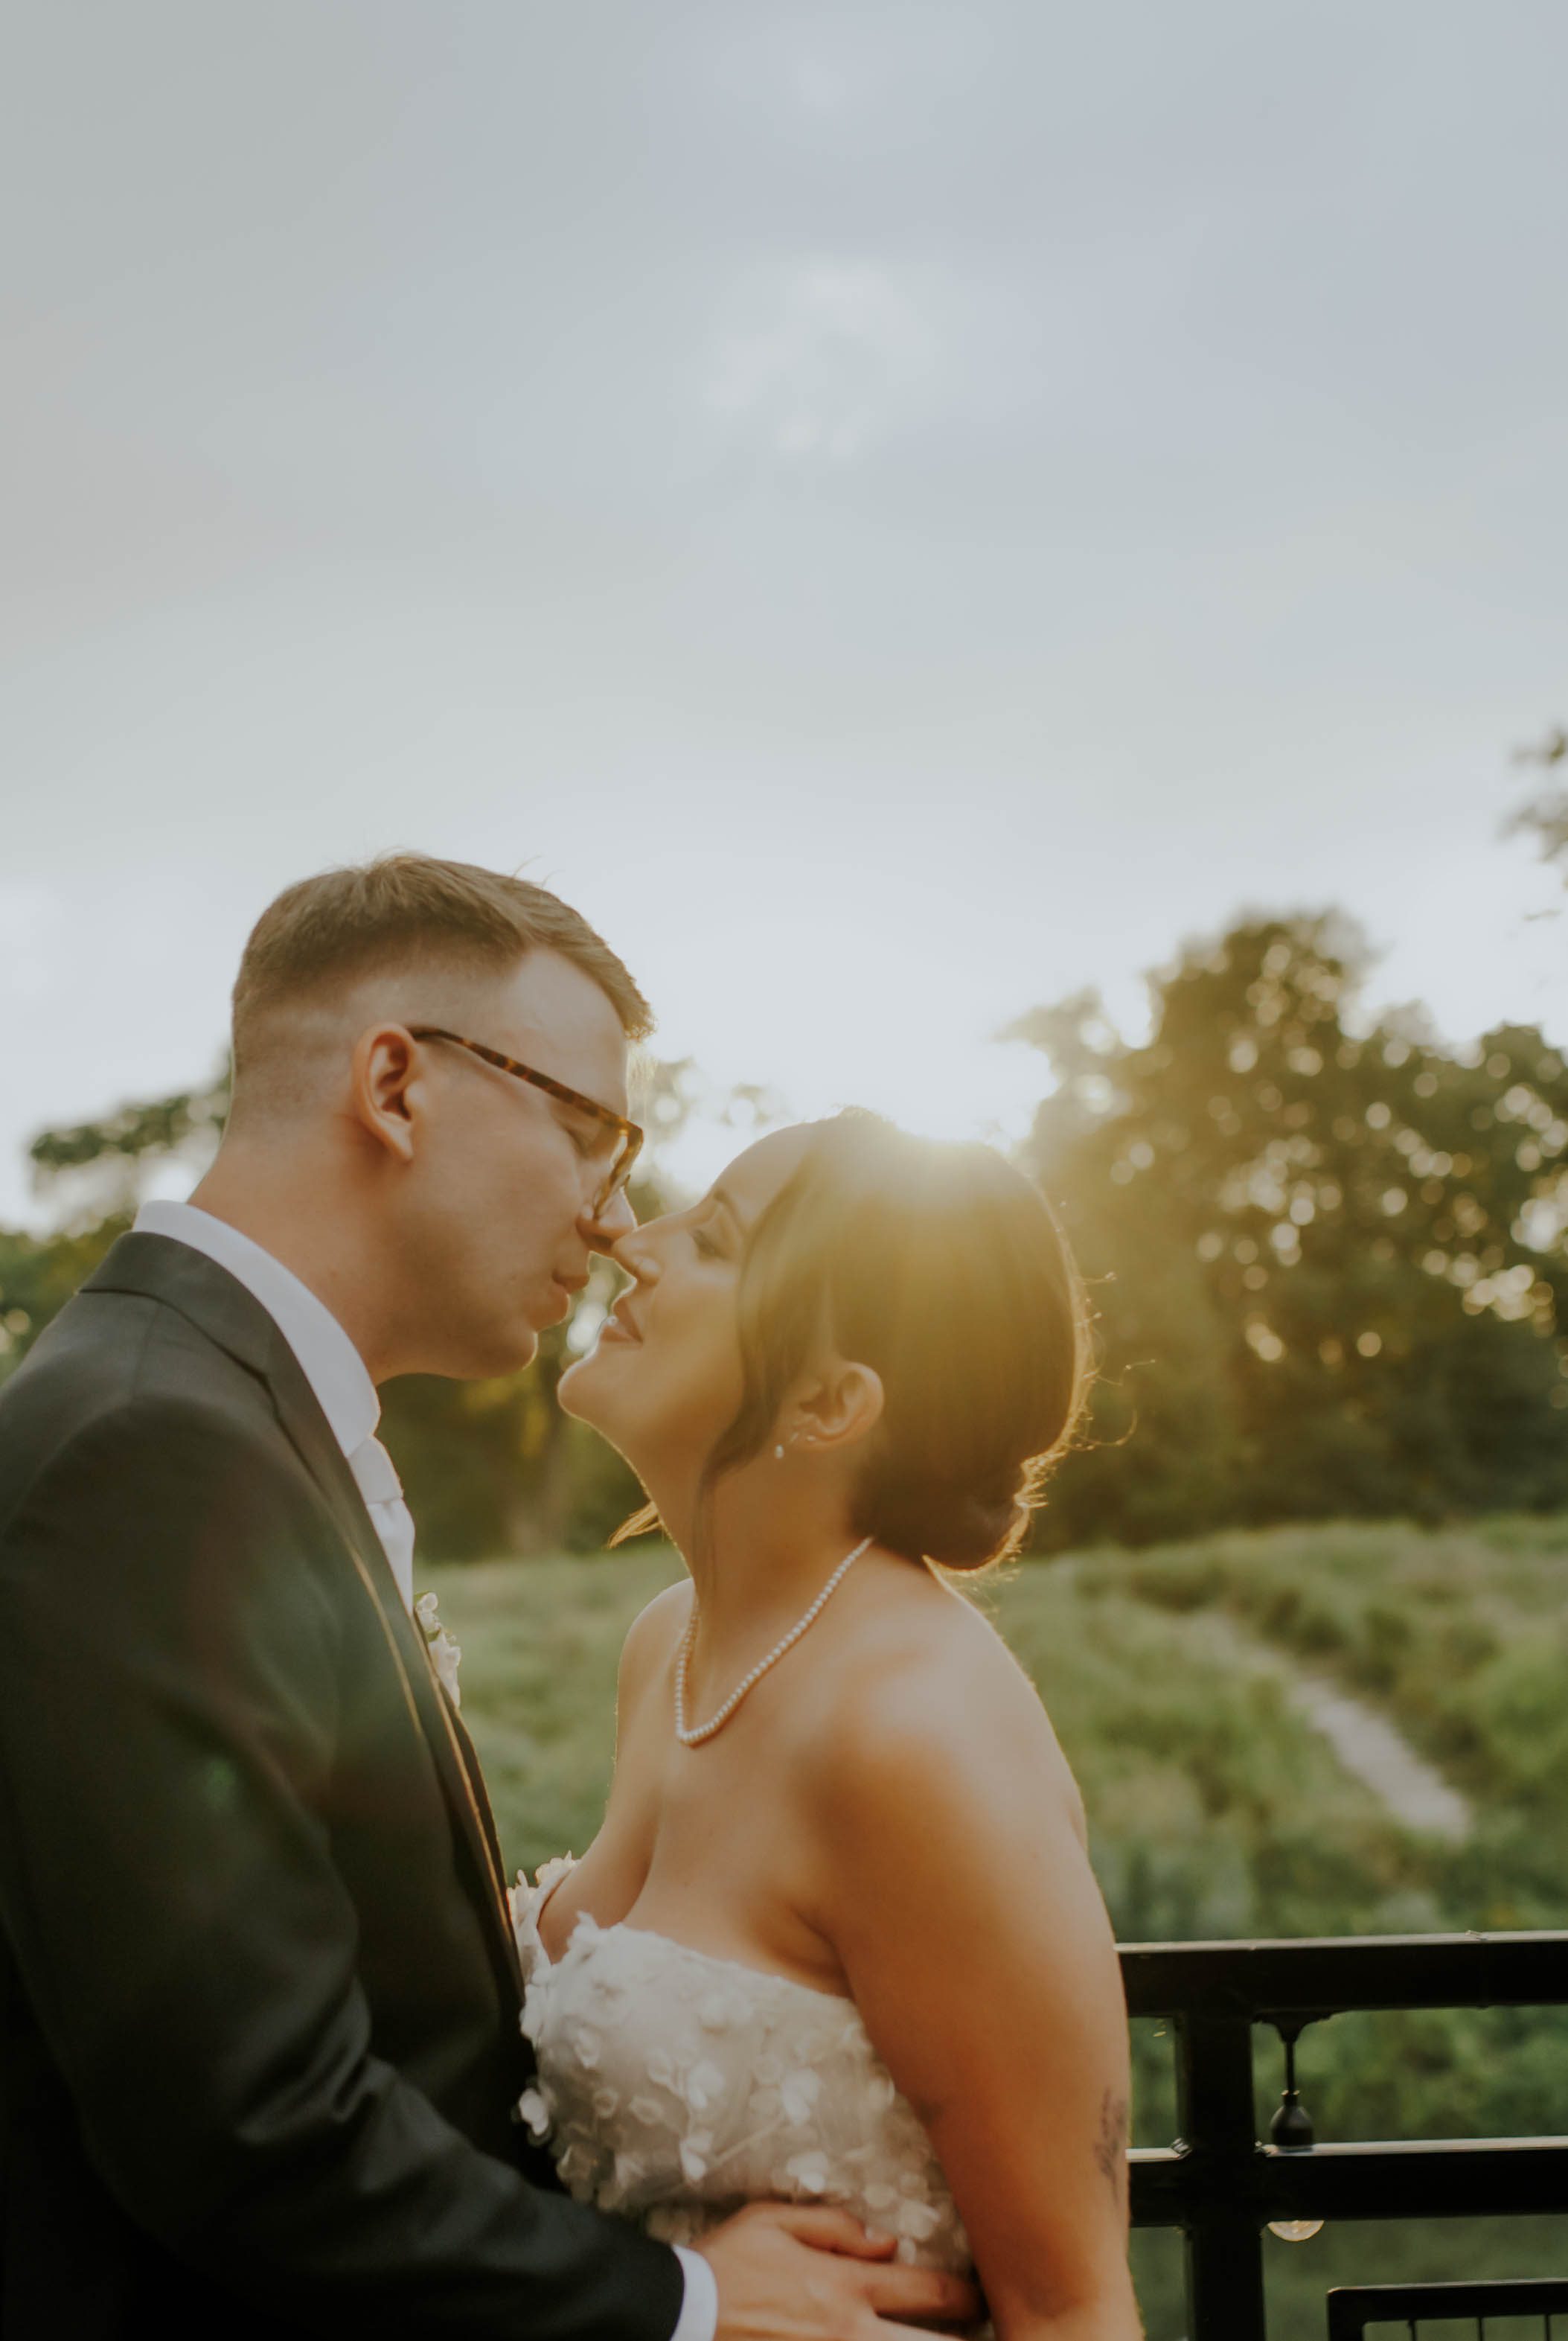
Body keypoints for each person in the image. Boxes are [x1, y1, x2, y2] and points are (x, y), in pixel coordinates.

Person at [0, 855, 977, 2341]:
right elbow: (248, 2127)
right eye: (591, 1130)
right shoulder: (152, 1449)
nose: (607, 1216)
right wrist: (689, 2302)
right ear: (396, 1085)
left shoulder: (217, 1418)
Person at [519, 1113, 1143, 2341]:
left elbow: (1071, 2302)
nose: (634, 1246)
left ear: (828, 1398)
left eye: (715, 1241)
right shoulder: (670, 1647)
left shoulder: (907, 1733)